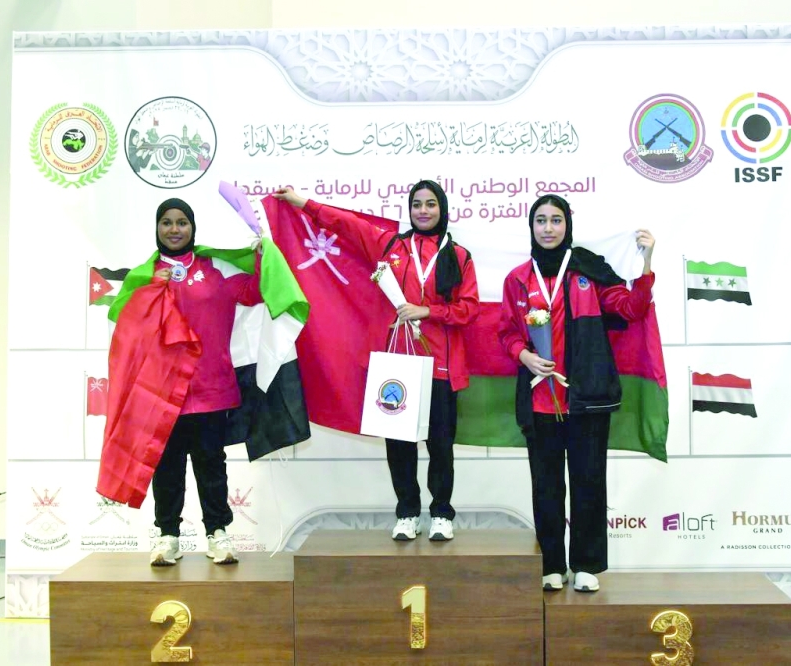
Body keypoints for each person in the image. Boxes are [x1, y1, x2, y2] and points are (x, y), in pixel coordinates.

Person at [273, 181, 479, 541]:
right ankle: (407, 513)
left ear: (442, 209)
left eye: (431, 204)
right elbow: (342, 223)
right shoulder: (389, 246)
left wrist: (427, 310)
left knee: (440, 443)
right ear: (409, 209)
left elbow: (470, 309)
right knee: (399, 443)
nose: (424, 211)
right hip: (397, 362)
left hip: (441, 364)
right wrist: (298, 201)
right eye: (417, 204)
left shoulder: (458, 255)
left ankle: (442, 513)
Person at [498, 194, 655, 592]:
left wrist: (647, 262)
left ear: (567, 225)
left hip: (586, 400)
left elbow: (631, 308)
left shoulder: (588, 271)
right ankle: (552, 563)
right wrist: (525, 357)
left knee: (588, 482)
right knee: (546, 485)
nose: (548, 228)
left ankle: (586, 565)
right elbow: (506, 332)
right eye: (541, 221)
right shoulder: (518, 278)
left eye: (556, 220)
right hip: (538, 400)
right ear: (531, 227)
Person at [109, 198, 267, 567]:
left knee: (211, 465)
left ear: (193, 228)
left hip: (209, 390)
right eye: (167, 222)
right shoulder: (143, 275)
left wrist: (263, 254)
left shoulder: (215, 269)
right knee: (166, 466)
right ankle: (167, 536)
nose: (174, 229)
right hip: (160, 393)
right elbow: (127, 327)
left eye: (182, 222)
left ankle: (218, 534)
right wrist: (149, 290)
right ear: (157, 228)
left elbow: (254, 291)